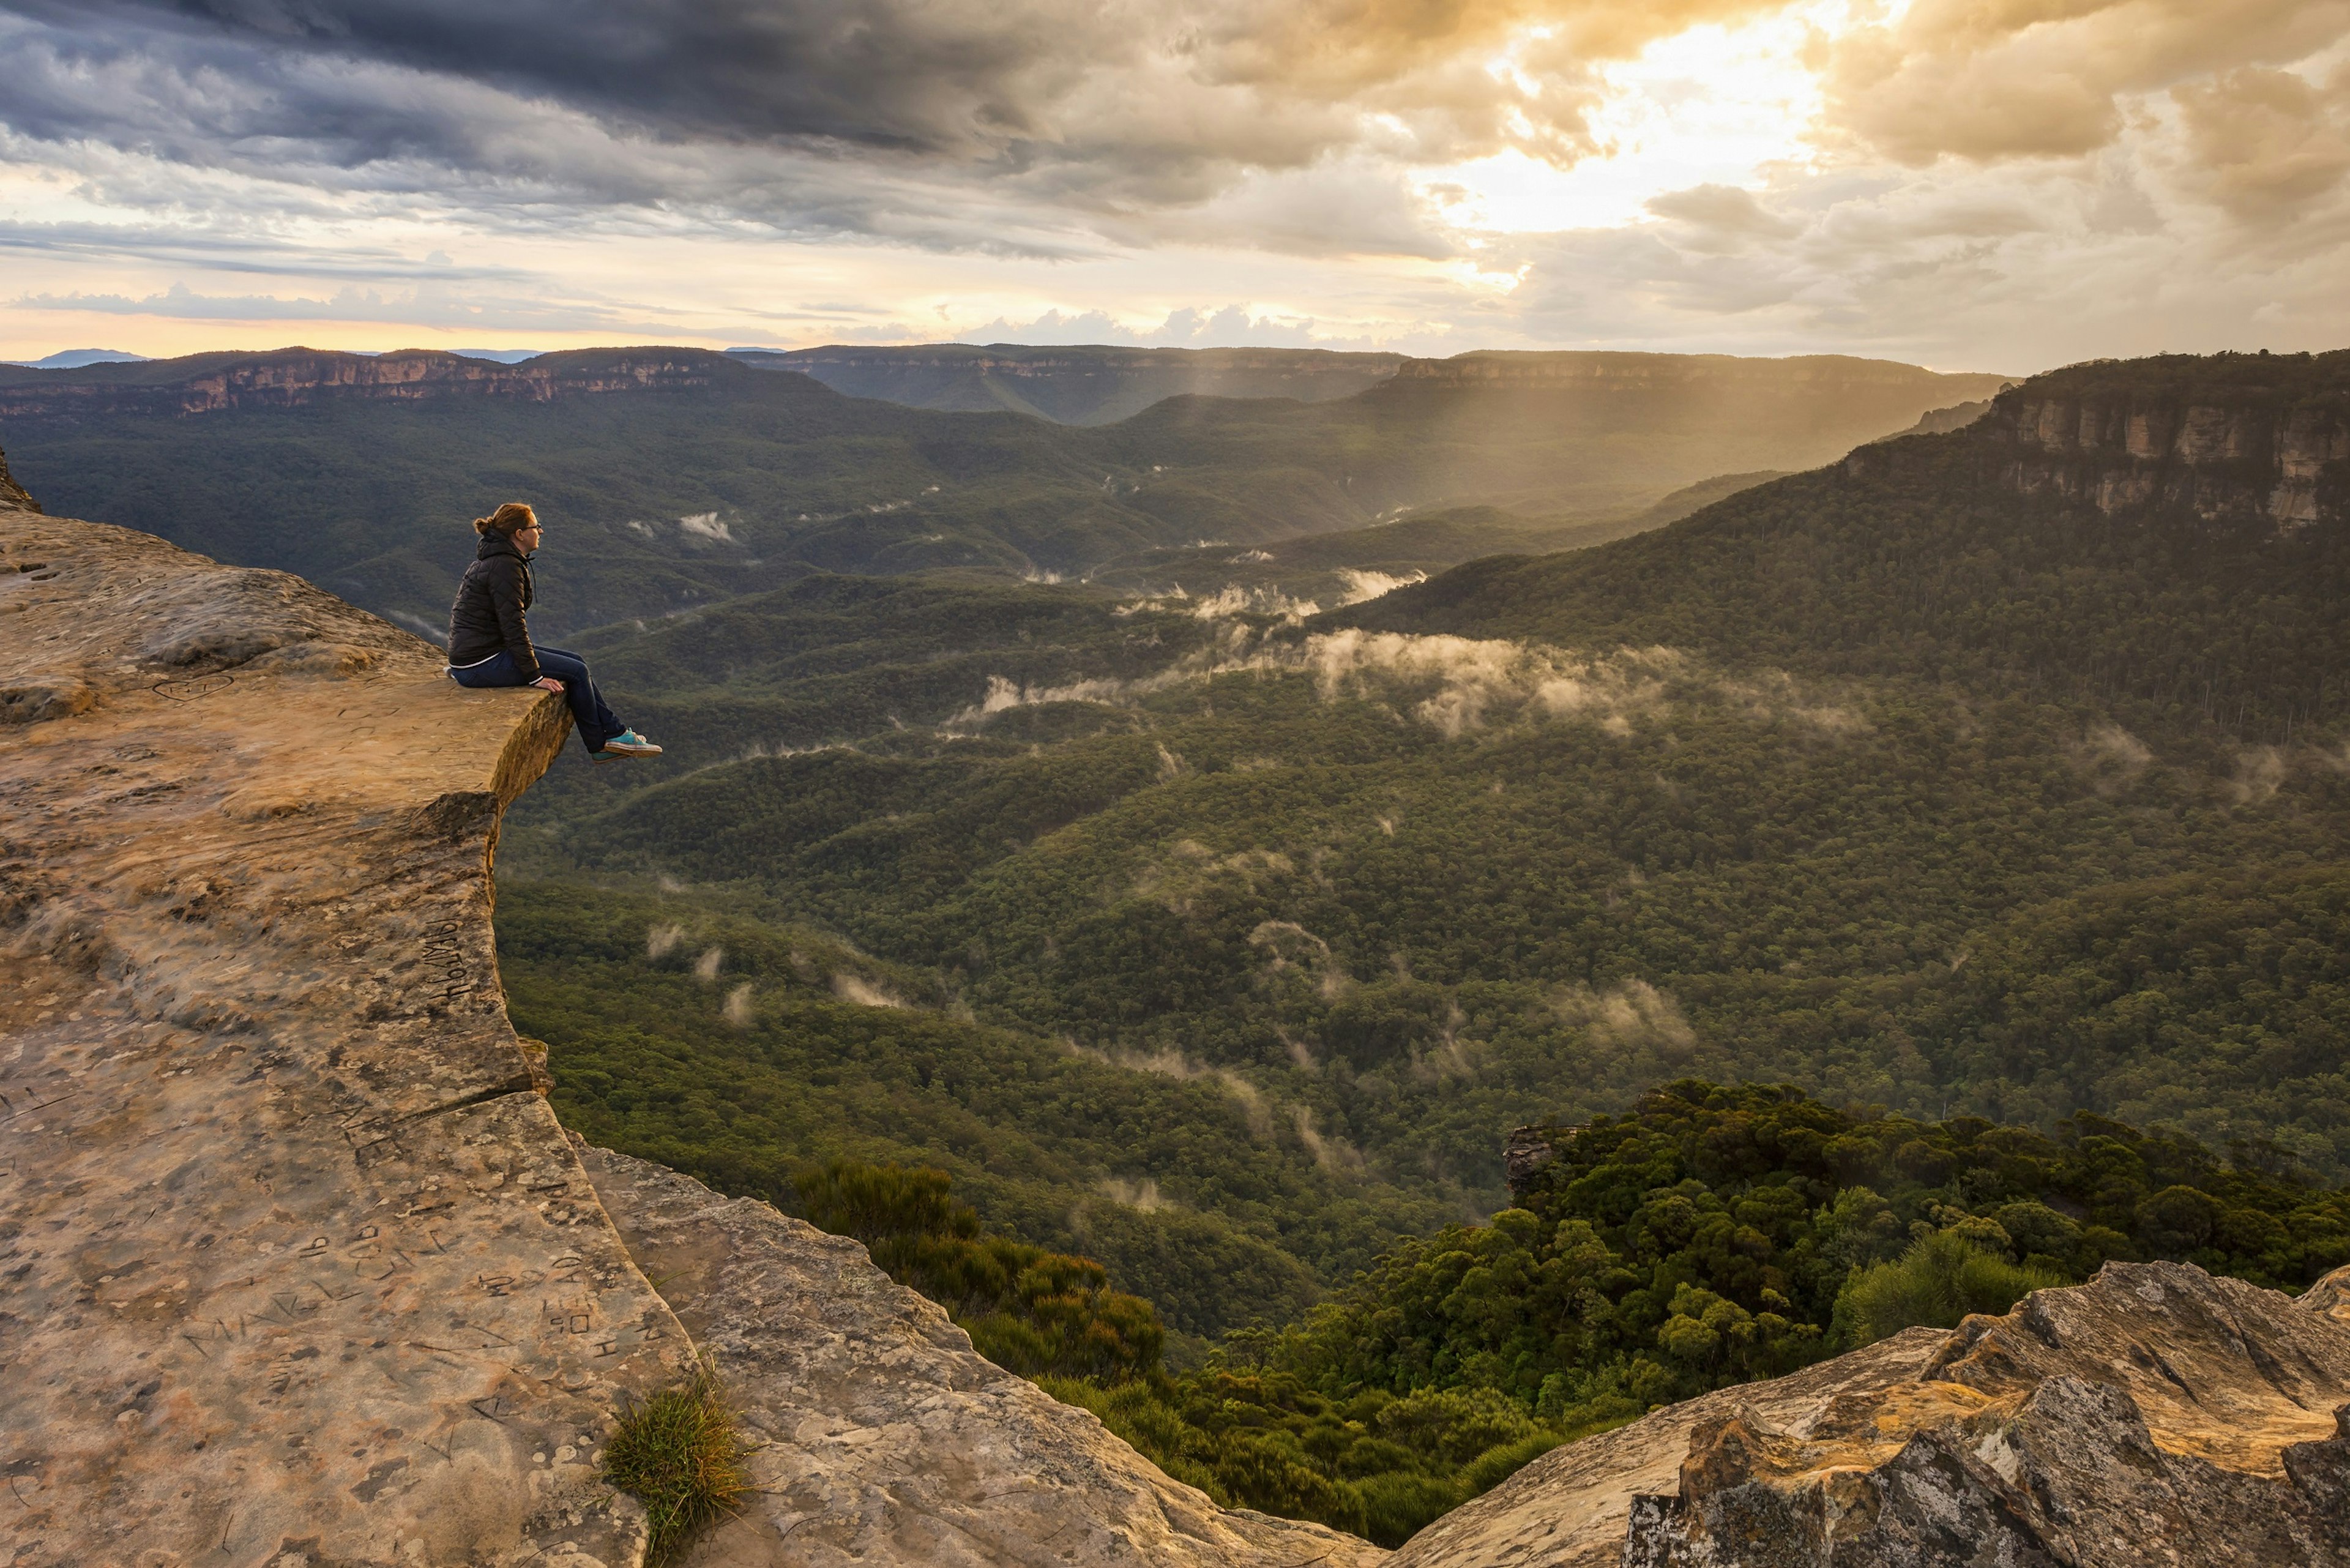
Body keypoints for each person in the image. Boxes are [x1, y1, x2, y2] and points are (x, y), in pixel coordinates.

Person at [445, 502, 661, 763]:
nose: (541, 531)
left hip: (478, 656)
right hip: (480, 663)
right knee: (577, 672)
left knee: (577, 661)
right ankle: (602, 743)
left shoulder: (499, 561)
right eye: (536, 526)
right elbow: (513, 625)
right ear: (520, 534)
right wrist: (534, 676)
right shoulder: (505, 567)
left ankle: (614, 733)